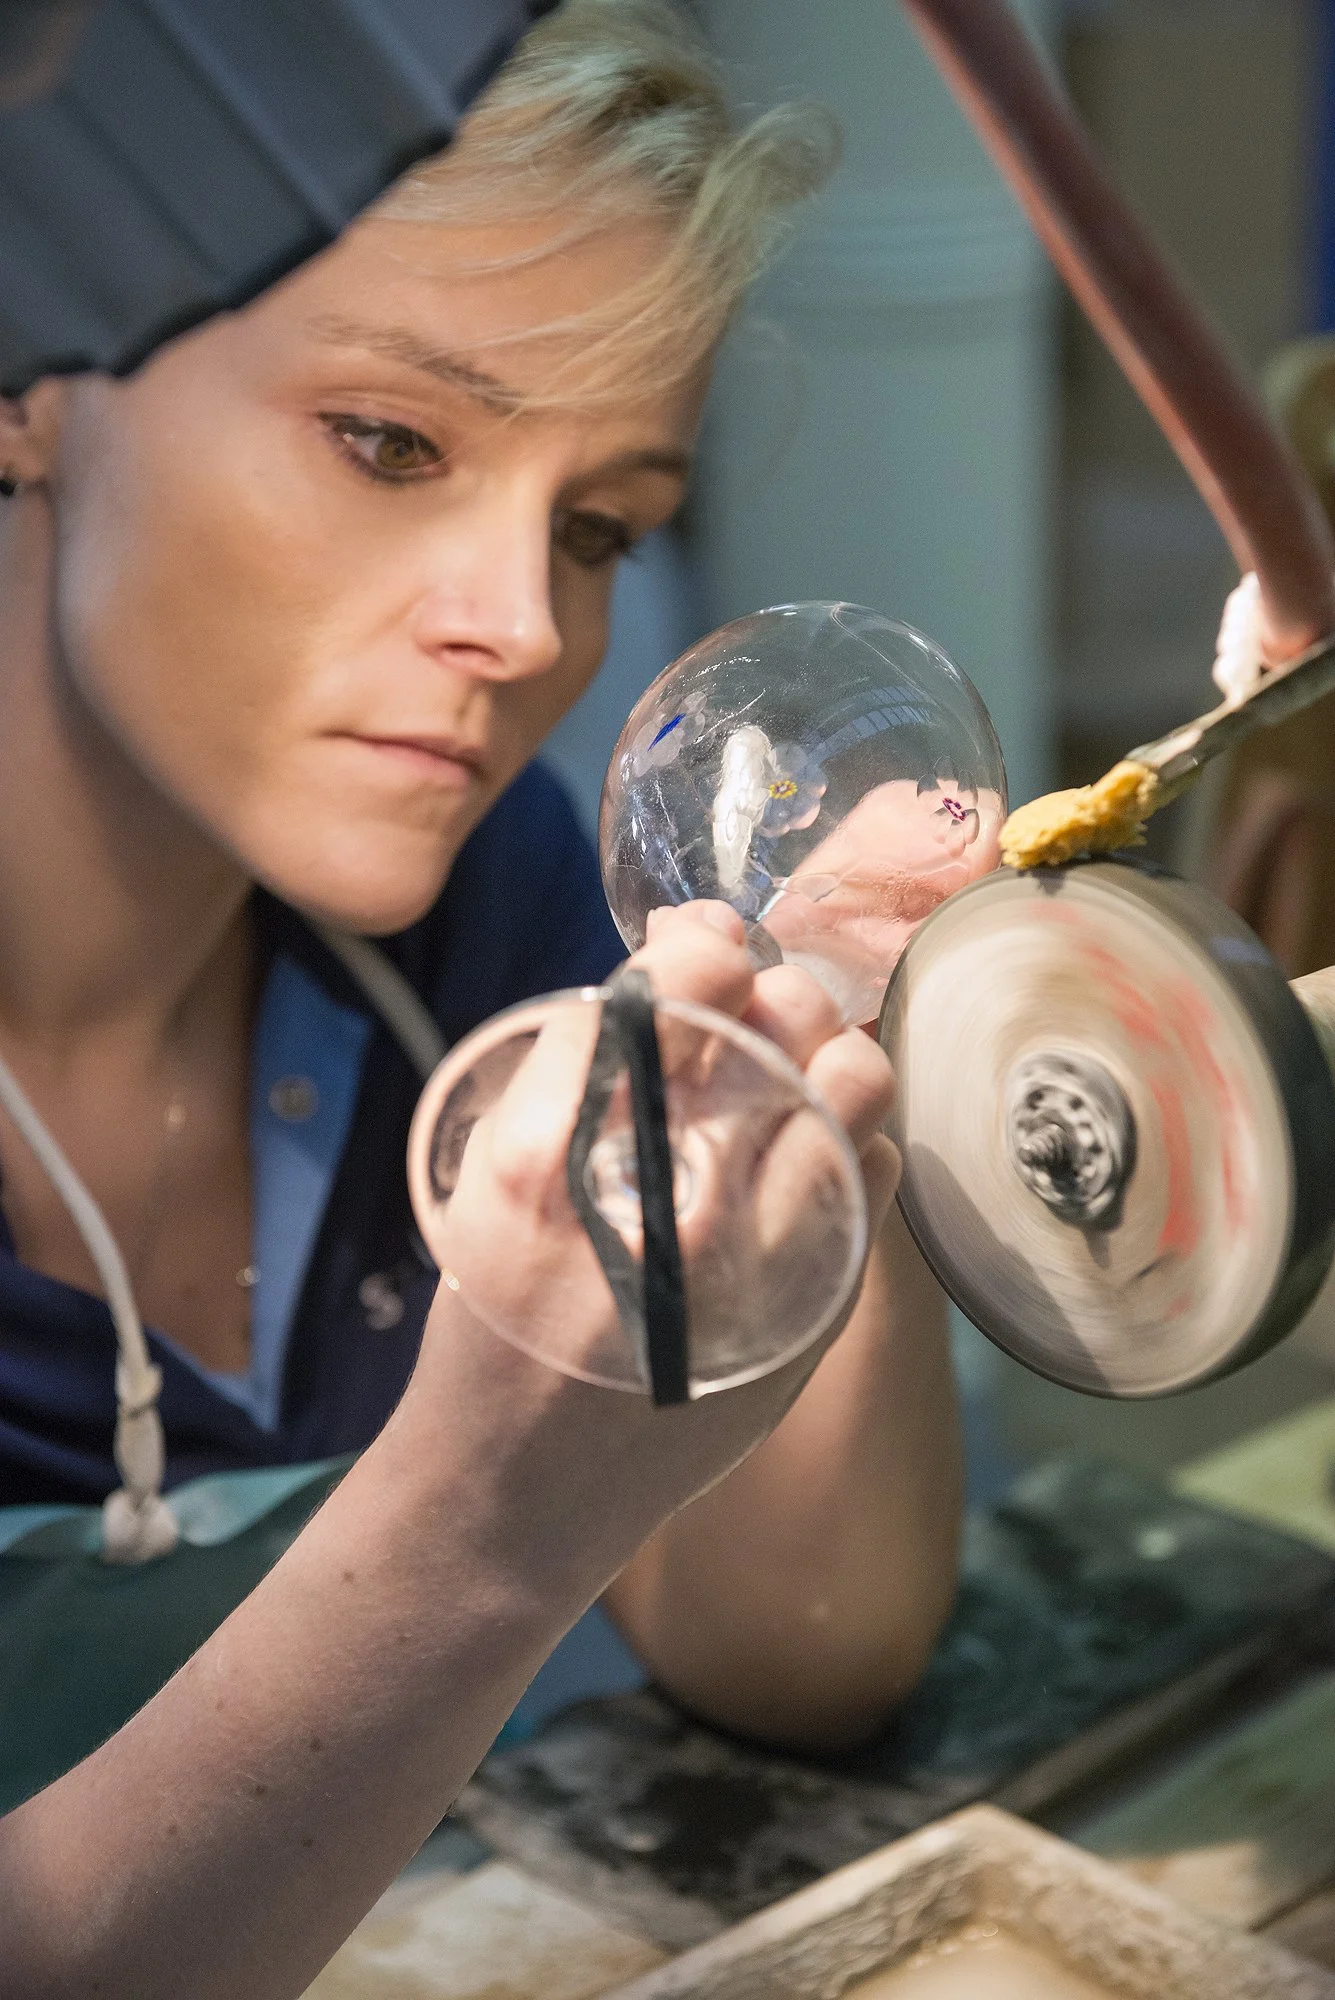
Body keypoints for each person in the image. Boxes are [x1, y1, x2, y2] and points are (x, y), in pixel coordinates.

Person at [0, 2, 962, 1990]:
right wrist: (482, 1526)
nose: (526, 628)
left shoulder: (464, 910)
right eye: (390, 441)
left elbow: (802, 1652)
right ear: (34, 372)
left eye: (599, 526)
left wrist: (836, 1050)